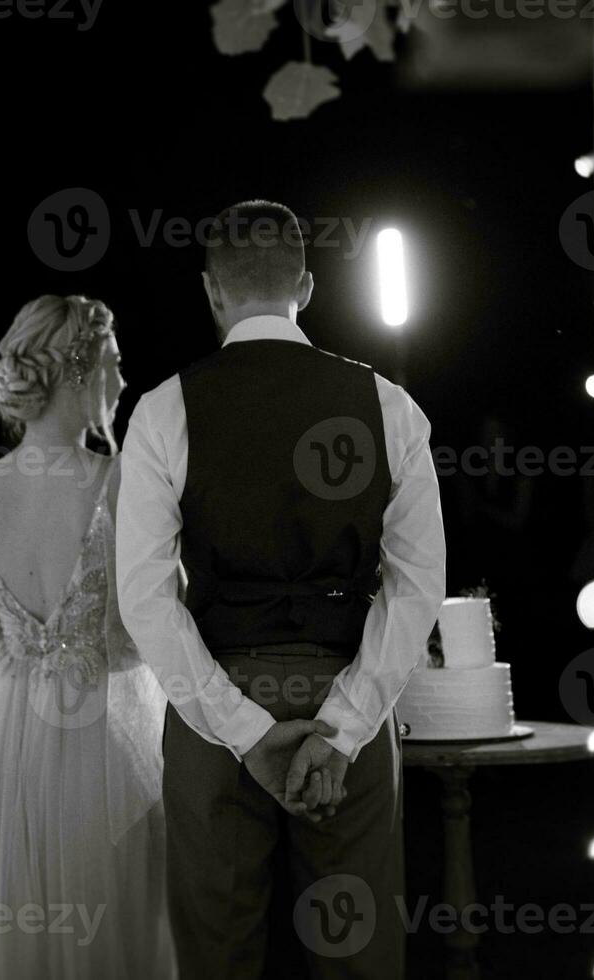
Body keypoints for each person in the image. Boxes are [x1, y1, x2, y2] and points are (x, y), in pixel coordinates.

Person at [116, 200, 446, 979]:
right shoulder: (389, 407)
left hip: (216, 698)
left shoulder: (163, 411)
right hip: (348, 689)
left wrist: (248, 733)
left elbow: (146, 599)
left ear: (212, 292)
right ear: (306, 285)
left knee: (218, 954)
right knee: (356, 953)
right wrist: (341, 729)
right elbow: (418, 582)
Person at [0, 295, 175, 979]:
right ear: (80, 373)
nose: (122, 382)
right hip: (112, 728)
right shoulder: (121, 483)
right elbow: (151, 630)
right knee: (118, 922)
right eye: (114, 365)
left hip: (8, 735)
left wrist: (31, 633)